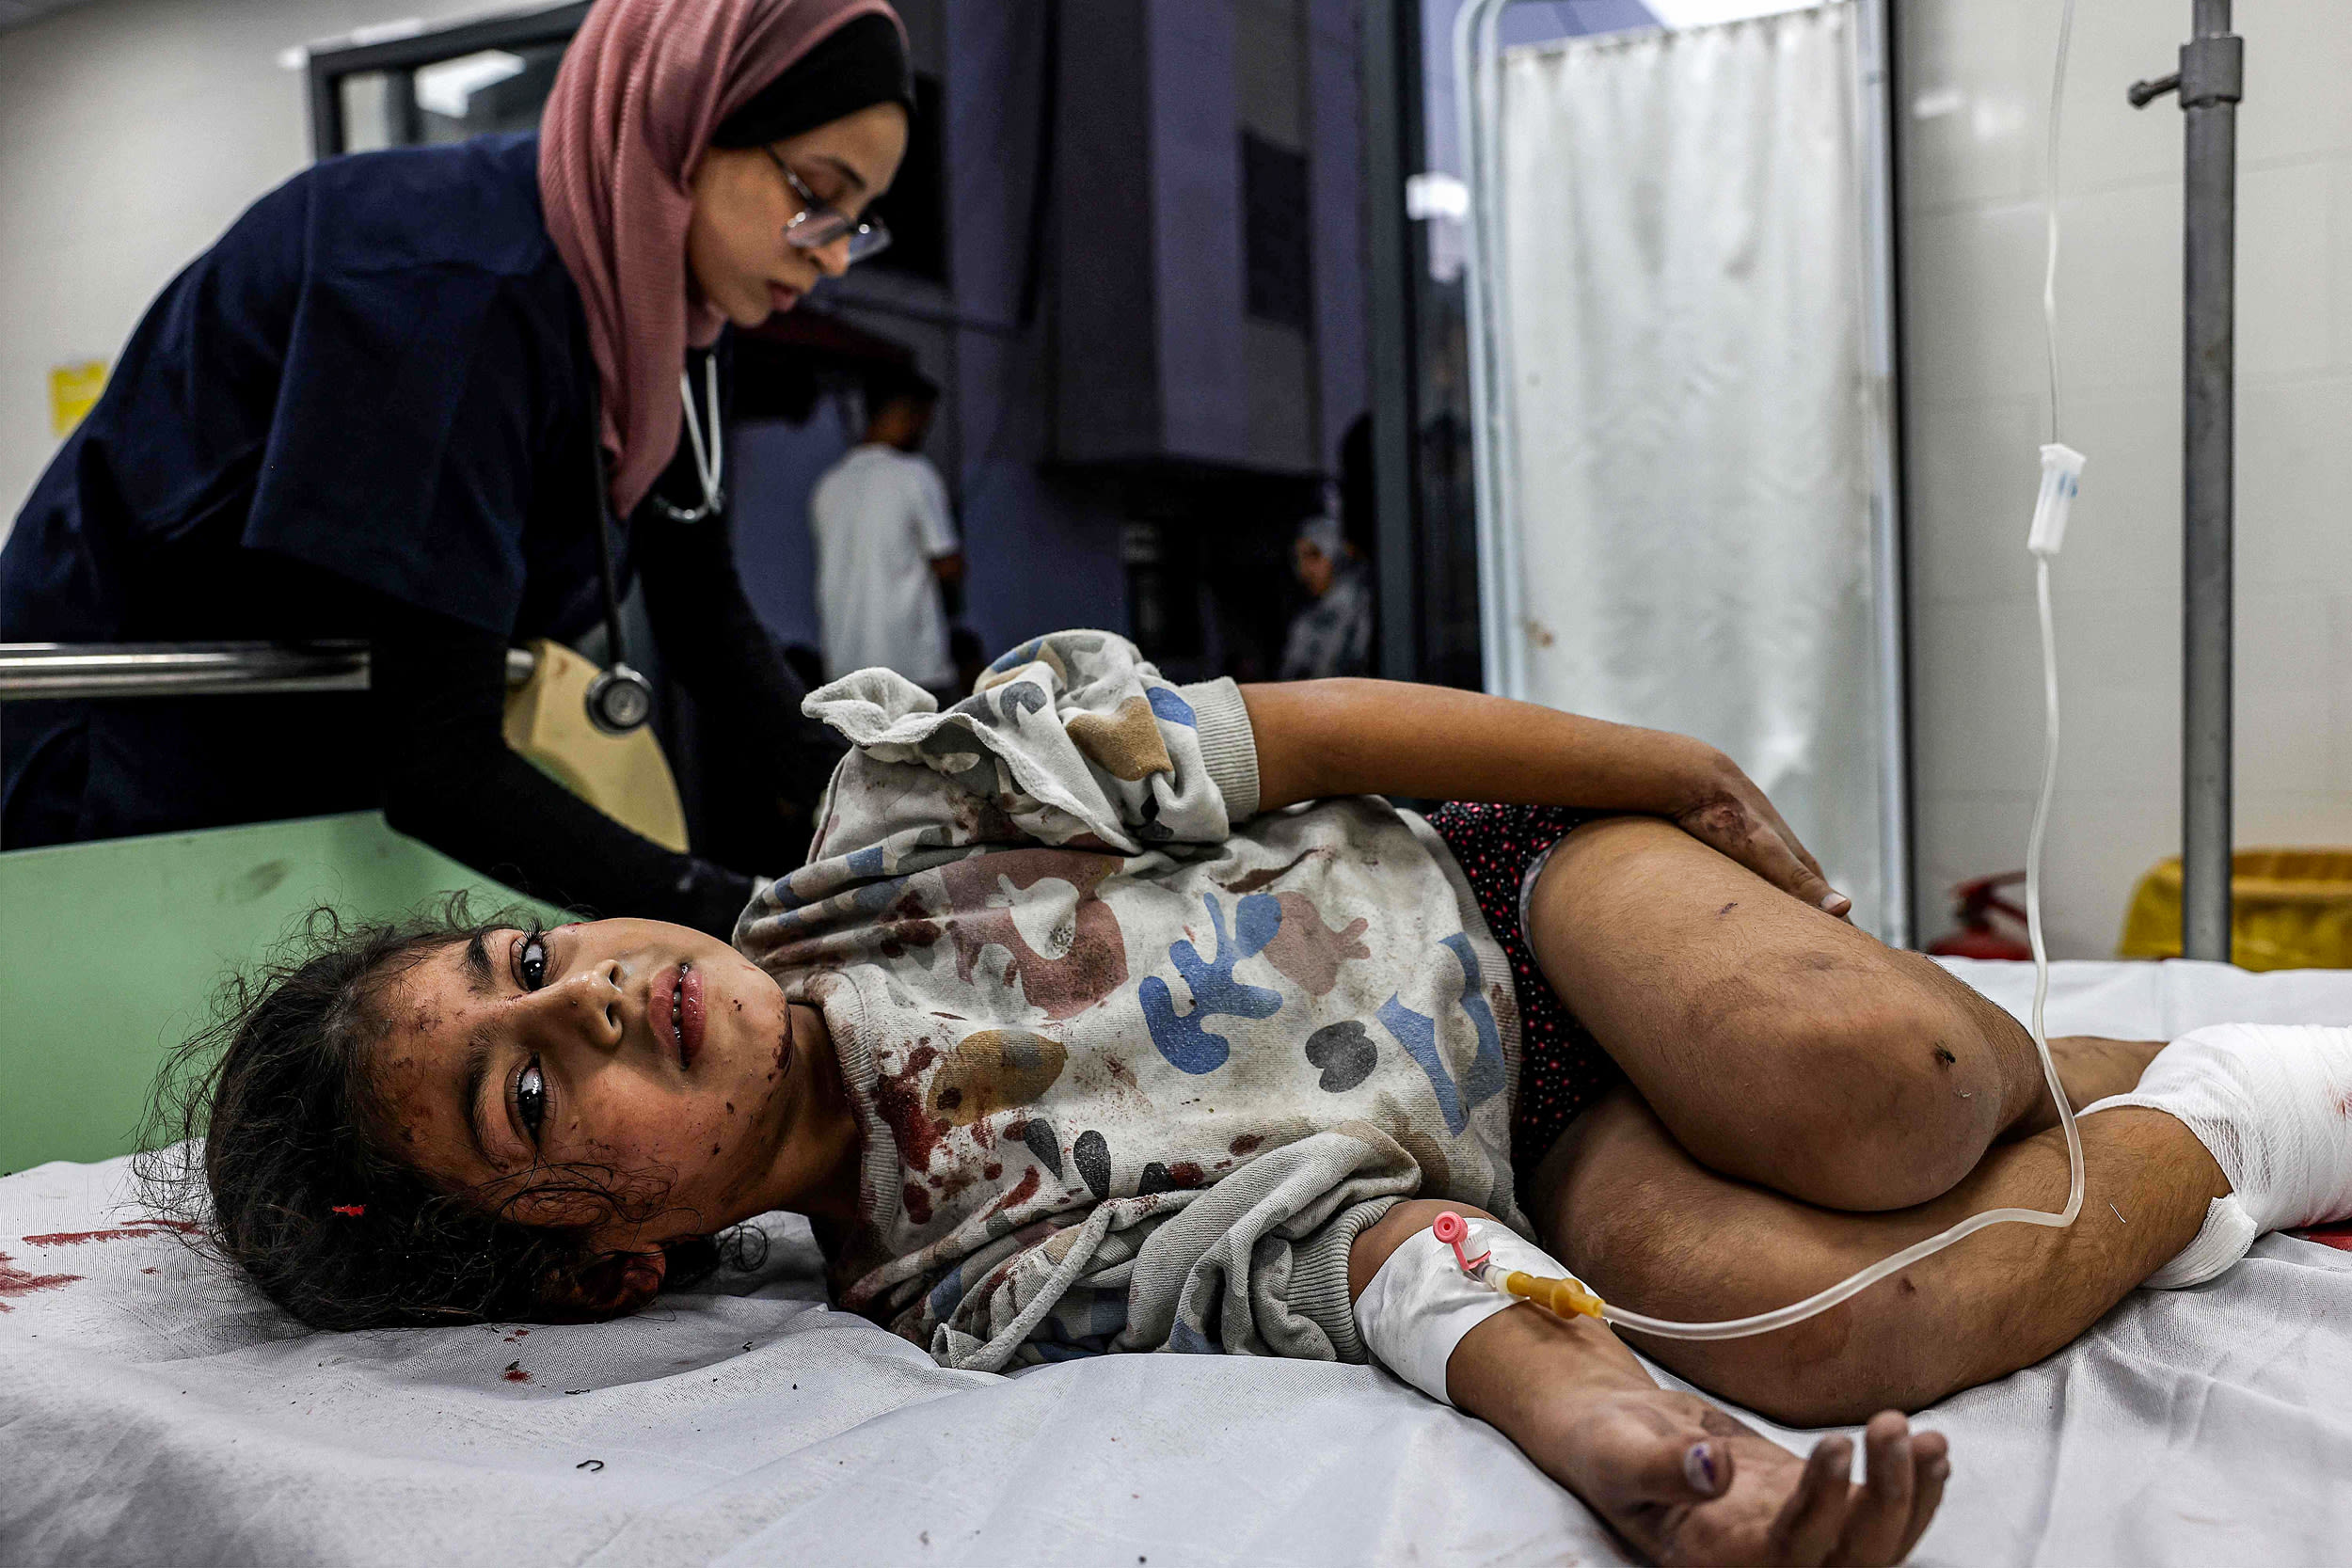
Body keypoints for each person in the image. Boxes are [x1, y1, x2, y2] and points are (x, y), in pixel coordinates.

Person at [151, 633, 2352, 1563]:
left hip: (1515, 905)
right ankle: (2248, 1109)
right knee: (1821, 1326)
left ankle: (2029, 1062)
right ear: (614, 1264)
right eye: (530, 1097)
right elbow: (1370, 1253)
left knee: (1858, 1083)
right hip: (1528, 1159)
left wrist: (1667, 773)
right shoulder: (970, 1286)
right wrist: (1637, 1451)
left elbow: (1294, 732)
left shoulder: (906, 813)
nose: (603, 1004)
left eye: (529, 964)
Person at [0, 0, 914, 936]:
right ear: (688, 114)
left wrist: (904, 799)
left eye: (858, 220)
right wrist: (750, 918)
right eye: (814, 191)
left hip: (323, 764)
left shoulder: (671, 314)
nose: (834, 252)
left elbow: (702, 612)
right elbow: (438, 756)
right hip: (120, 765)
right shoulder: (444, 284)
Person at [806, 368, 963, 691]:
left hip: (845, 674)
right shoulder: (915, 474)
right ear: (909, 415)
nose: (925, 432)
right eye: (925, 421)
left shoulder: (828, 484)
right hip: (913, 670)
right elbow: (949, 566)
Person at [1278, 514, 1374, 681]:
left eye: (1314, 556)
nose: (1304, 571)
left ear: (1337, 552)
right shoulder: (1306, 615)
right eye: (1298, 559)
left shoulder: (1363, 608)